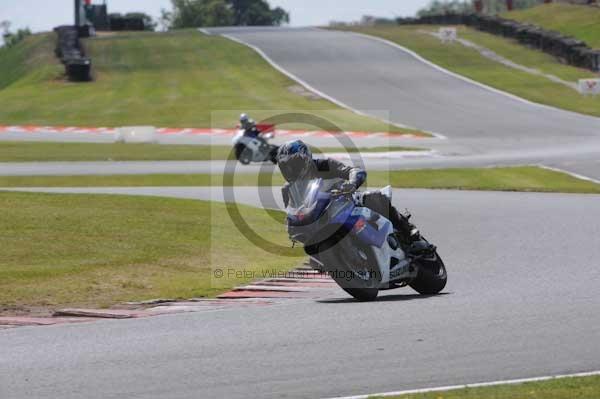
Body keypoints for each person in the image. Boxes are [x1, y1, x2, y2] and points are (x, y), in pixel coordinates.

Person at [276, 140, 429, 253]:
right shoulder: (287, 189)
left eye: (295, 164)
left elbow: (353, 171)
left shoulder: (324, 165)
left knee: (375, 197)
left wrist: (351, 182)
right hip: (321, 219)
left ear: (307, 159)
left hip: (345, 202)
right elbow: (292, 211)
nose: (291, 169)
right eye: (286, 166)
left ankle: (410, 234)